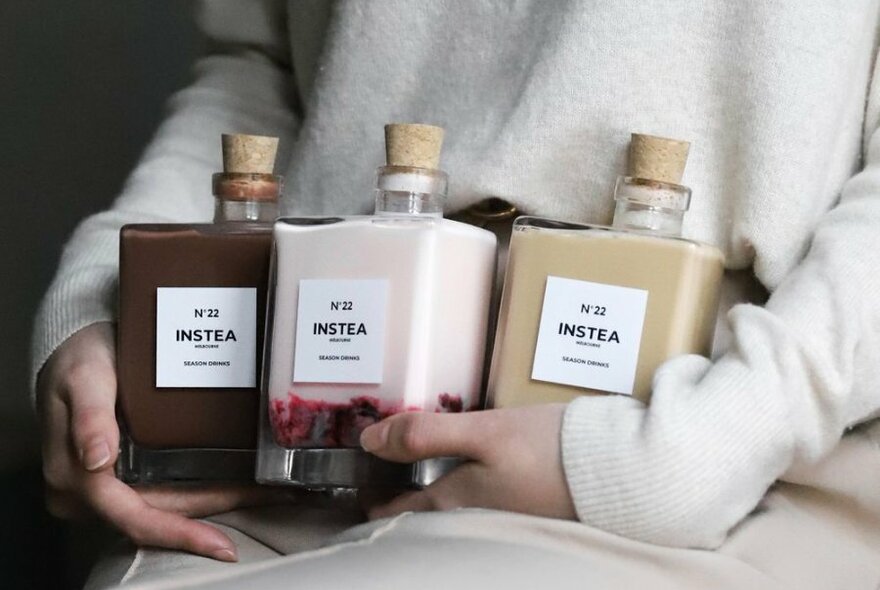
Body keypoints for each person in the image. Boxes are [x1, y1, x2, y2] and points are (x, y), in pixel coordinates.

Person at [34, 1, 880, 588]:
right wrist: (111, 300)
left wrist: (691, 452)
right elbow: (268, 68)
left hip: (718, 471)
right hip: (293, 458)